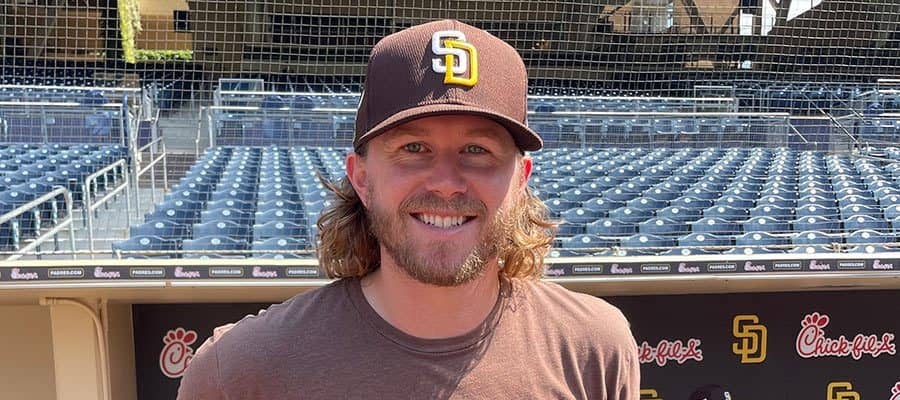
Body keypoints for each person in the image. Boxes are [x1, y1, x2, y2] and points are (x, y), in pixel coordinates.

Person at [178, 19, 639, 399]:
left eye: (477, 150)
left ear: (520, 180)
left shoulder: (595, 347)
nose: (446, 181)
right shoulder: (238, 371)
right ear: (361, 178)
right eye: (414, 148)